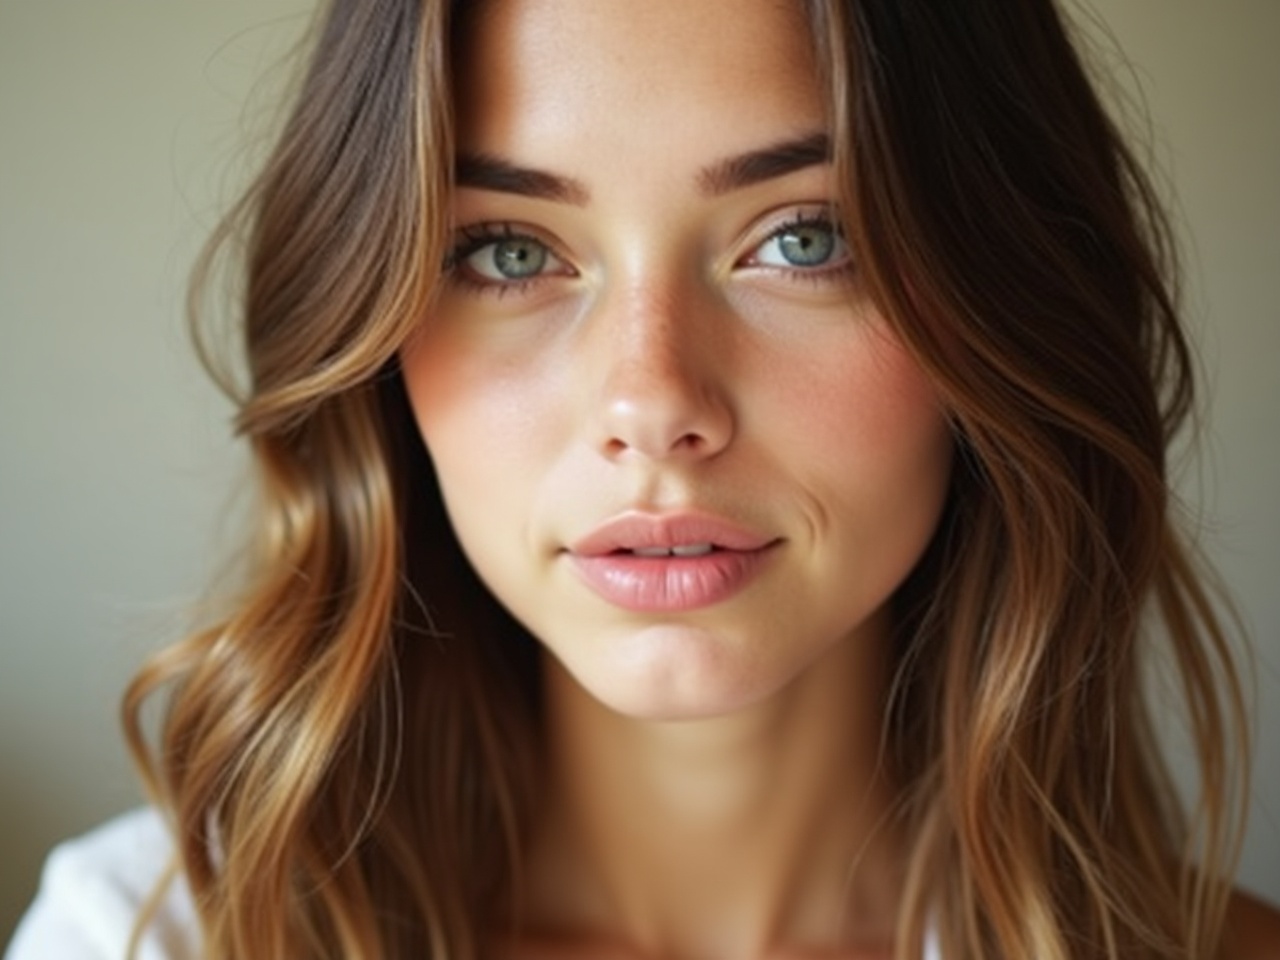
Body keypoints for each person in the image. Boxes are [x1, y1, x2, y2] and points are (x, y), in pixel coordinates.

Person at [8, 0, 1280, 958]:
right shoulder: (147, 937)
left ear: (1001, 299)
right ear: (374, 334)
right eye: (509, 250)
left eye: (804, 237)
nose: (651, 404)